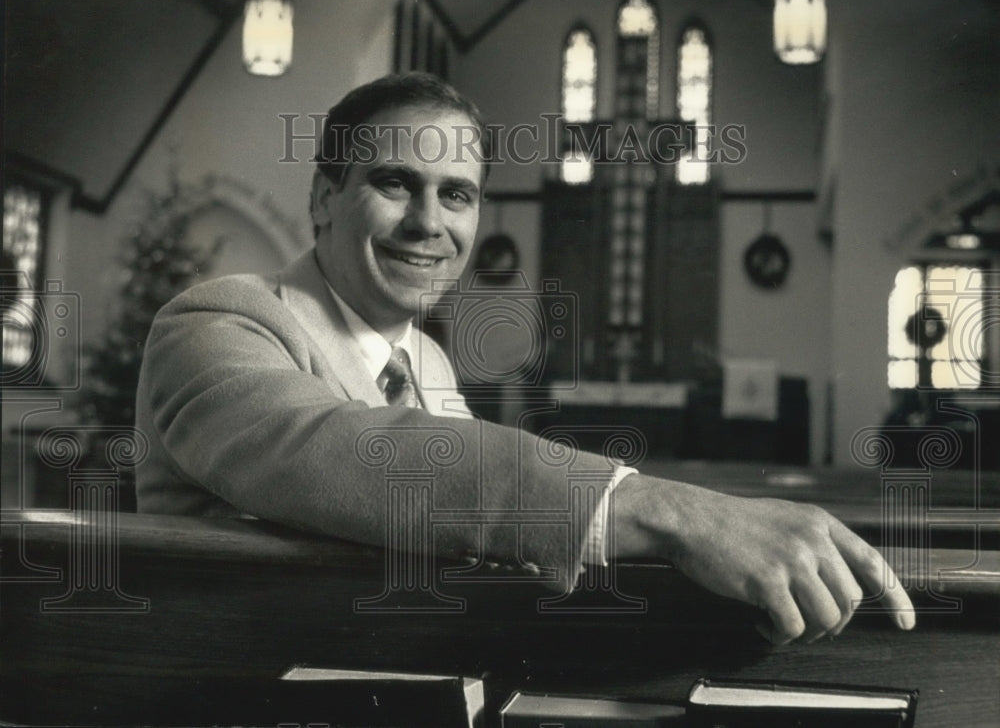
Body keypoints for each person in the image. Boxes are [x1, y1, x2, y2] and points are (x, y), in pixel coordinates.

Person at [135, 72, 914, 644]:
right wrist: (670, 511)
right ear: (323, 198)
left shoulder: (430, 365)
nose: (428, 223)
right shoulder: (221, 323)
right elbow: (363, 458)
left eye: (457, 195)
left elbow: (477, 527)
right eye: (396, 184)